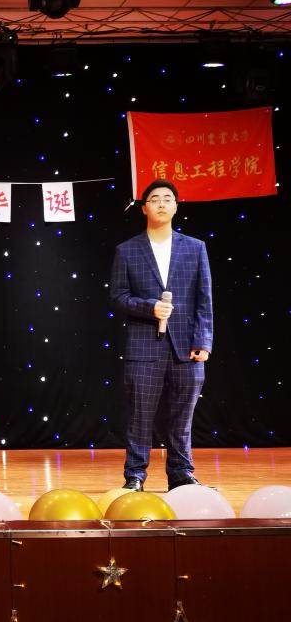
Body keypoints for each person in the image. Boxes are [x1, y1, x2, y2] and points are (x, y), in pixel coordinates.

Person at [110, 179, 213, 492]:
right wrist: (149, 307)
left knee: (182, 417)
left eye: (168, 199)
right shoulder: (127, 250)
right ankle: (135, 475)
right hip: (143, 346)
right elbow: (118, 296)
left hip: (187, 347)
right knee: (140, 415)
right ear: (144, 208)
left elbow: (204, 298)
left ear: (176, 206)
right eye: (155, 199)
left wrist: (203, 341)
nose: (162, 204)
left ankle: (181, 474)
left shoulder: (195, 247)